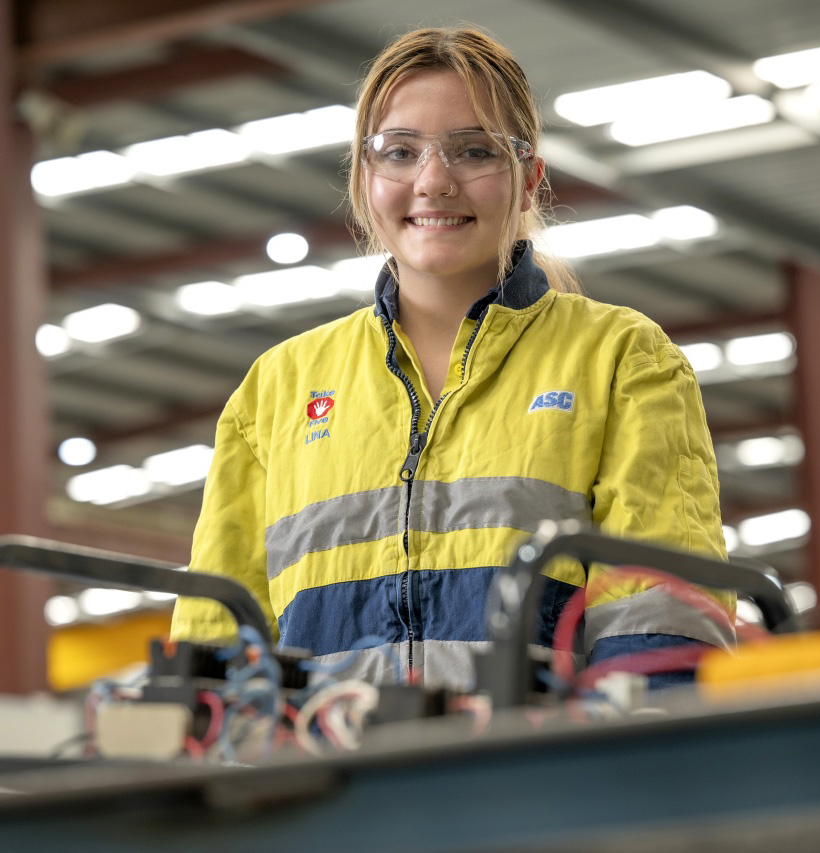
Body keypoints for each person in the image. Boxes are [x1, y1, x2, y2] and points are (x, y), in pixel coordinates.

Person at [171, 26, 734, 690]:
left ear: (528, 180)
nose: (433, 181)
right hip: (329, 783)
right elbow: (214, 649)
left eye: (473, 151)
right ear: (364, 177)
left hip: (540, 781)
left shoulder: (621, 361)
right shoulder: (276, 390)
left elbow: (660, 626)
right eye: (399, 152)